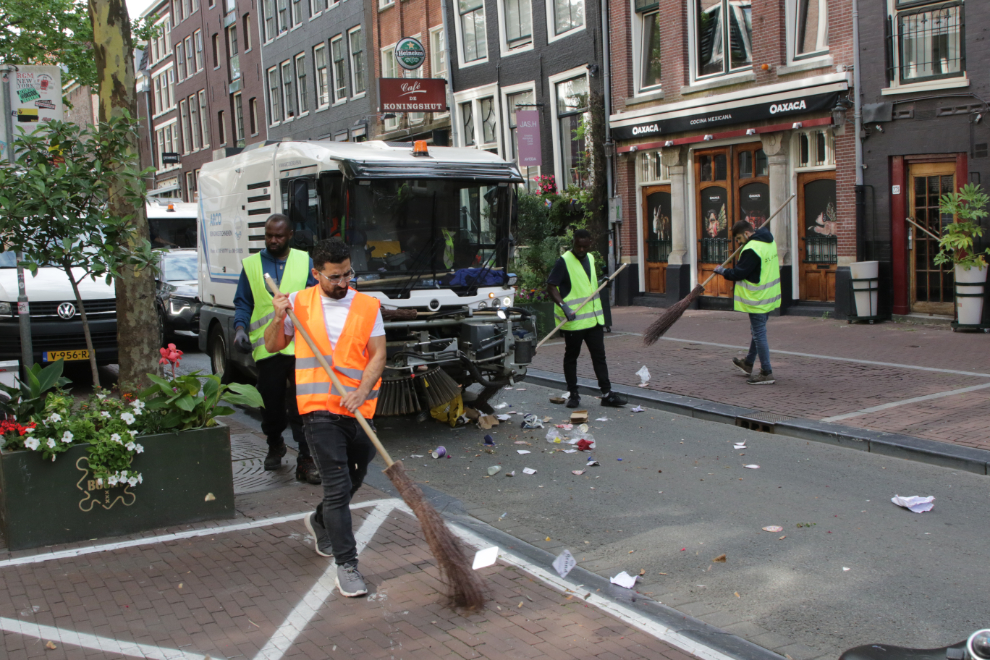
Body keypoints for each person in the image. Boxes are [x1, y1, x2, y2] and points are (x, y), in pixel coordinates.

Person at [265, 238, 386, 598]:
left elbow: (378, 354)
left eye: (347, 273)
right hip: (318, 411)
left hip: (359, 408)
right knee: (336, 488)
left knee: (356, 477)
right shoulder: (298, 303)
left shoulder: (367, 305)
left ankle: (319, 521)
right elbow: (273, 345)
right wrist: (277, 316)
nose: (343, 282)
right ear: (317, 274)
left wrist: (363, 391)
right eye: (334, 277)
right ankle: (347, 565)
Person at [233, 214, 321, 482]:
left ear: (290, 235)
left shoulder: (304, 262)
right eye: (269, 235)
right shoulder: (251, 266)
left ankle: (306, 459)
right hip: (267, 347)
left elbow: (317, 299)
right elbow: (243, 302)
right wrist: (239, 329)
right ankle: (275, 443)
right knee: (270, 404)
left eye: (279, 236)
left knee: (301, 406)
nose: (273, 240)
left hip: (299, 347)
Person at [547, 229, 627, 409]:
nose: (581, 249)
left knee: (599, 357)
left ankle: (607, 394)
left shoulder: (590, 258)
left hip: (593, 320)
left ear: (590, 243)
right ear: (573, 242)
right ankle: (573, 395)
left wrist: (601, 282)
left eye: (585, 246)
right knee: (571, 357)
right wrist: (564, 306)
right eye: (578, 246)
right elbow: (551, 287)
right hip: (574, 322)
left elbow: (586, 284)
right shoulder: (564, 261)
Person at [714, 220, 781, 385]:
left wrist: (723, 271)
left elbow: (739, 272)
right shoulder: (769, 241)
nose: (738, 242)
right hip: (769, 295)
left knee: (759, 334)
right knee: (757, 332)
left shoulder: (751, 249)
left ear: (746, 233)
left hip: (757, 298)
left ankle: (766, 372)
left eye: (738, 238)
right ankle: (748, 363)